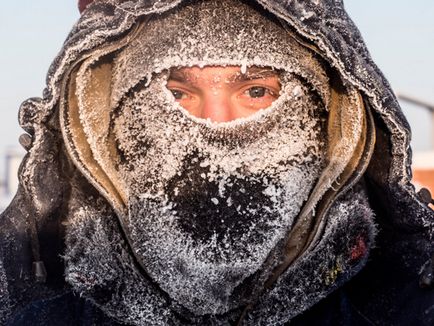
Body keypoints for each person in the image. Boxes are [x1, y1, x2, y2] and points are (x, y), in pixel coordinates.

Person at [0, 0, 433, 325]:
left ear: (330, 117)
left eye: (256, 92)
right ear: (107, 119)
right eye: (177, 93)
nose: (216, 126)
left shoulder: (409, 300)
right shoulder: (30, 302)